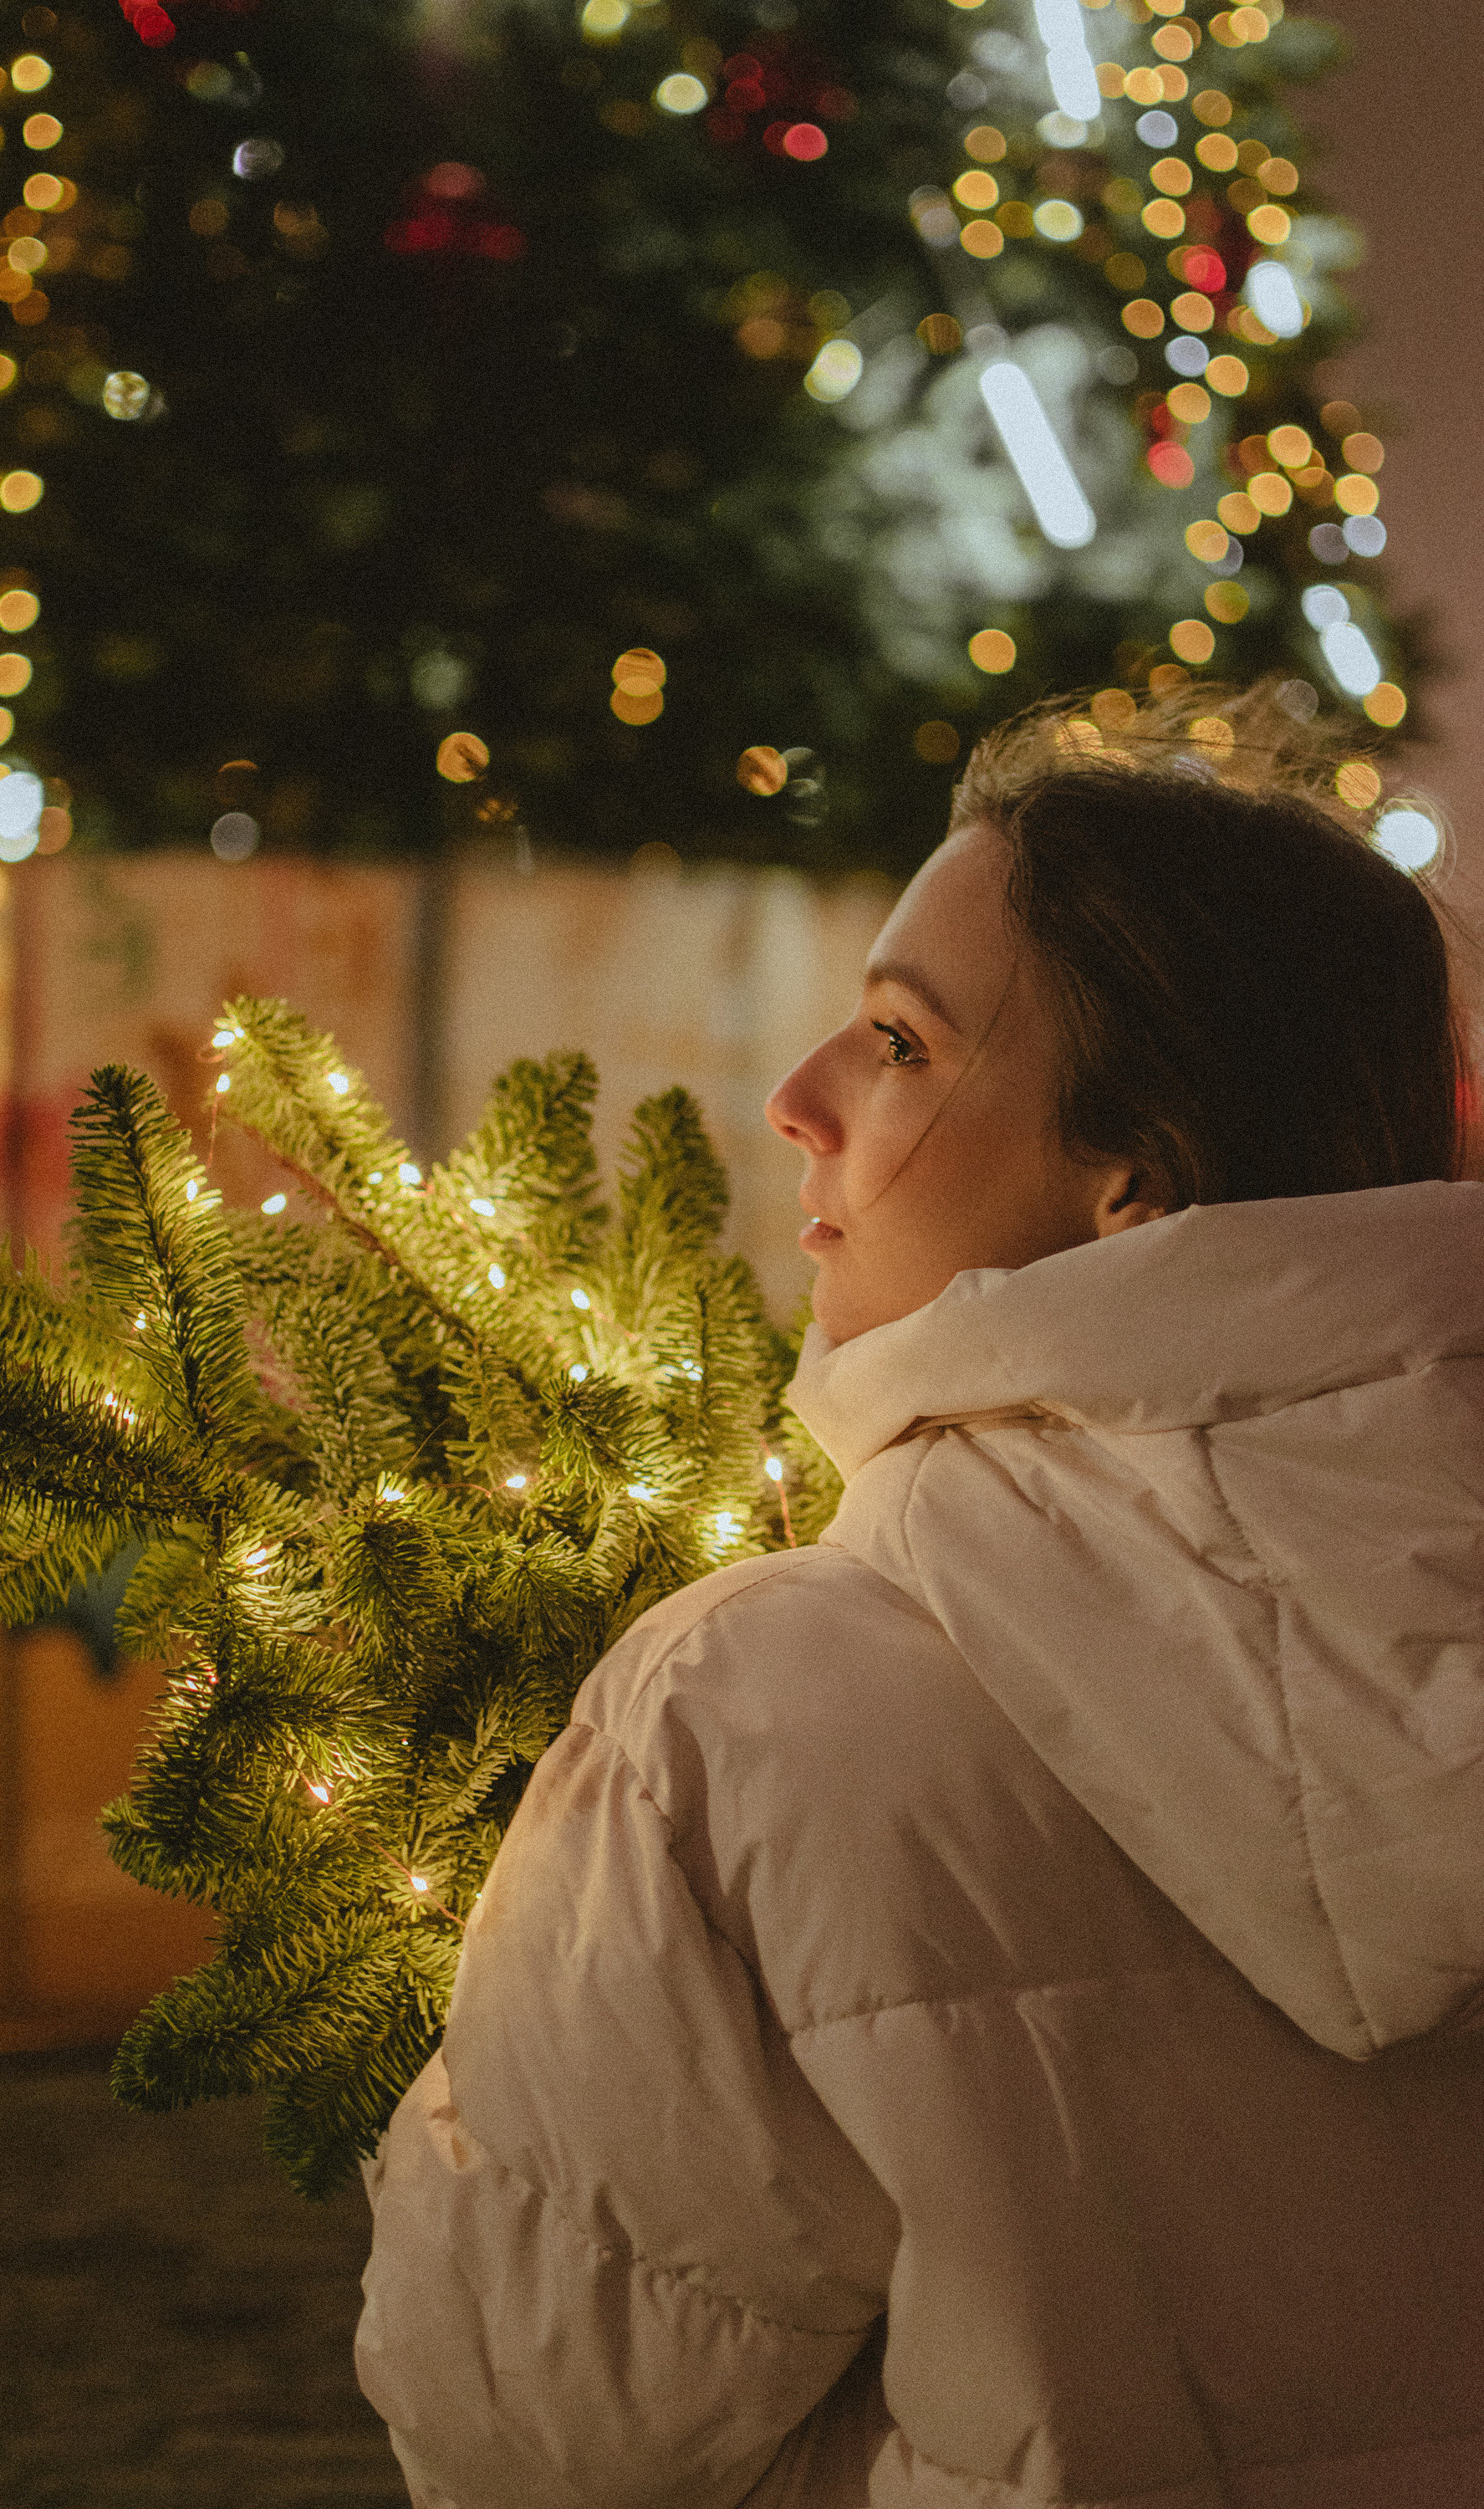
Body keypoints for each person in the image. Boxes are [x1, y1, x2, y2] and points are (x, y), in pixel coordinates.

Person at [354, 684, 1484, 2509]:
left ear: (1135, 1179)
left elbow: (538, 2426)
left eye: (898, 1041)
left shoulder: (747, 1707)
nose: (798, 1098)